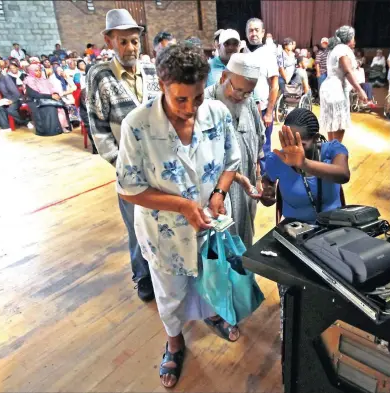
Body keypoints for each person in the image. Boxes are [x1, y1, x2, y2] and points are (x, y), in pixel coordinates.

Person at [116, 43, 241, 388]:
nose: (190, 109)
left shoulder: (216, 113)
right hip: (165, 232)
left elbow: (231, 162)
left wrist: (218, 193)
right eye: (180, 100)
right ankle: (174, 342)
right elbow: (128, 188)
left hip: (211, 223)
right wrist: (184, 206)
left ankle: (213, 313)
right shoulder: (138, 125)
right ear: (161, 84)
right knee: (170, 291)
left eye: (197, 98)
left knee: (212, 275)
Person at [86, 8, 161, 301]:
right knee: (136, 225)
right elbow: (98, 127)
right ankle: (142, 275)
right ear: (109, 41)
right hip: (128, 168)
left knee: (158, 221)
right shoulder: (99, 76)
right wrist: (120, 164)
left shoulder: (152, 71)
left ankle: (161, 270)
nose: (130, 48)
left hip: (158, 163)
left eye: (134, 41)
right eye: (123, 41)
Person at [260, 108, 350, 339]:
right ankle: (290, 322)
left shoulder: (332, 150)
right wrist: (268, 193)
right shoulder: (277, 159)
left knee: (329, 285)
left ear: (315, 138)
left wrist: (304, 164)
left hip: (331, 232)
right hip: (294, 235)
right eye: (287, 139)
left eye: (300, 141)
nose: (292, 147)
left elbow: (343, 174)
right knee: (291, 287)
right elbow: (267, 181)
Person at [205, 52, 265, 248]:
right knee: (218, 249)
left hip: (246, 190)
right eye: (238, 90)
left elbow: (259, 141)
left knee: (244, 243)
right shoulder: (204, 104)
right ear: (223, 77)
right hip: (215, 195)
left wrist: (258, 178)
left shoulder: (248, 103)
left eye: (248, 92)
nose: (242, 97)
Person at [319, 26, 367, 143]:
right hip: (336, 89)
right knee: (339, 124)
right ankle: (335, 152)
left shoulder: (334, 49)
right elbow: (347, 71)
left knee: (332, 122)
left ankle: (330, 152)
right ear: (349, 38)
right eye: (353, 37)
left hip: (329, 87)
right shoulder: (342, 49)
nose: (355, 41)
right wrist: (359, 89)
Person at [246, 17, 279, 174]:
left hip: (264, 110)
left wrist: (269, 113)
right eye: (250, 30)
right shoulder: (242, 53)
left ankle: (267, 183)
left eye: (256, 30)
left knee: (264, 149)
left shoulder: (268, 54)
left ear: (263, 32)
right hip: (245, 110)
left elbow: (274, 85)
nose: (253, 33)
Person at [24, 64, 69, 136]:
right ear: (31, 71)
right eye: (36, 71)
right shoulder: (29, 80)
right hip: (36, 101)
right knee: (50, 107)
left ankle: (61, 127)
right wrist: (50, 96)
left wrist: (55, 94)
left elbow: (52, 88)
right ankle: (51, 130)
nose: (38, 72)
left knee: (60, 105)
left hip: (48, 98)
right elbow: (34, 94)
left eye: (39, 70)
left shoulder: (44, 79)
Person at [0, 63, 33, 133]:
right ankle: (6, 127)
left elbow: (16, 93)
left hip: (16, 99)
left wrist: (12, 101)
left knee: (10, 110)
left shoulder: (6, 78)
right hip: (6, 99)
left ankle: (25, 122)